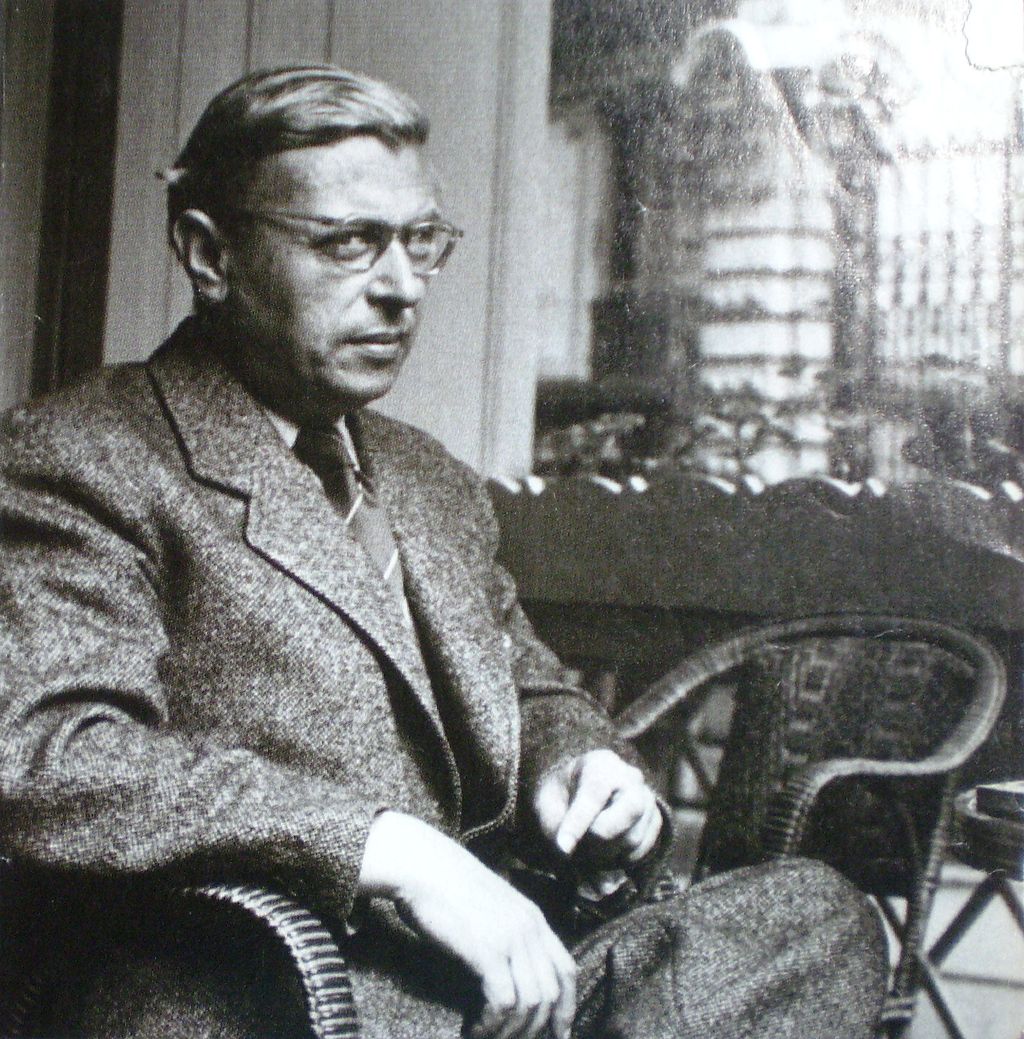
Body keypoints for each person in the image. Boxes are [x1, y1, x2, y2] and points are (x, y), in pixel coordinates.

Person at [0, 65, 886, 1039]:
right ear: (210, 254)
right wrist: (392, 850)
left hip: (498, 983)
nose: (398, 289)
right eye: (347, 243)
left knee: (819, 917)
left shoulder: (429, 478)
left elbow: (528, 687)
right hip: (276, 989)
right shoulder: (85, 454)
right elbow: (52, 757)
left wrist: (582, 767)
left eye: (418, 243)